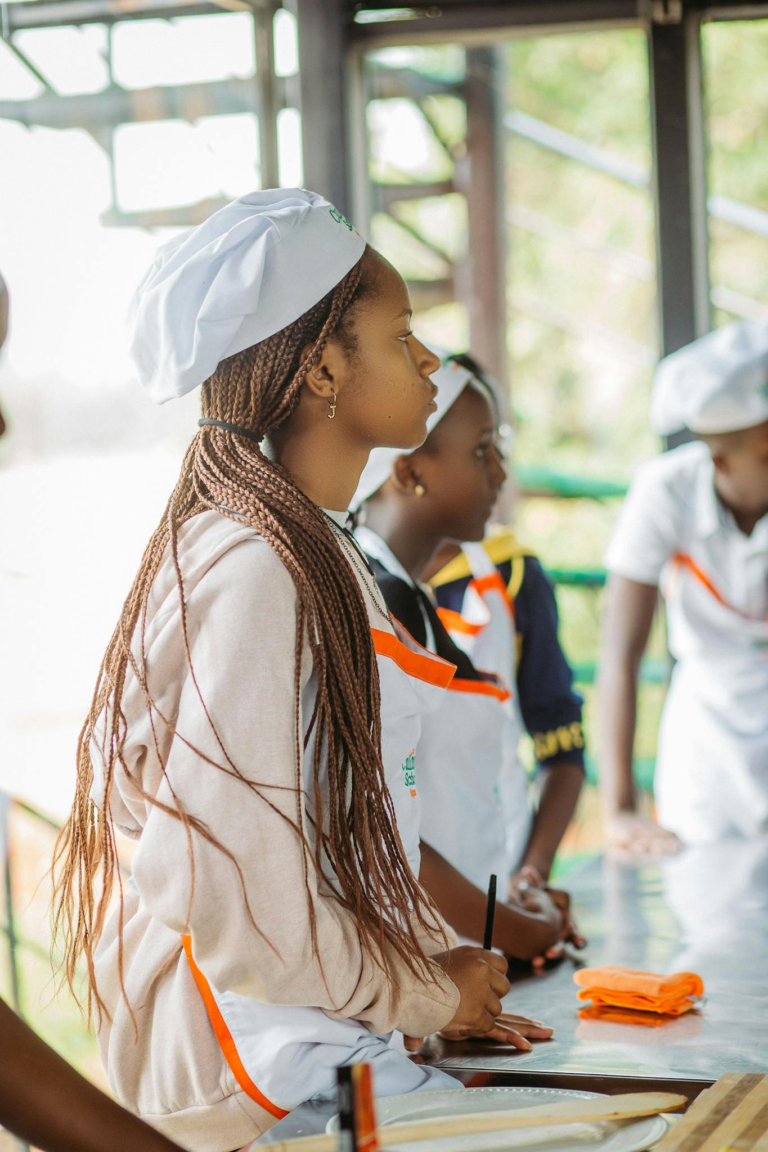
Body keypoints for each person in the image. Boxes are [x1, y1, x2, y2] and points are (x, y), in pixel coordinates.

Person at [52, 191, 549, 1152]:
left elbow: (325, 833)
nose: (430, 362)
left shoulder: (306, 550)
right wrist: (417, 988)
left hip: (311, 1031)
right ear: (323, 365)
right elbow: (236, 898)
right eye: (402, 333)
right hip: (254, 1063)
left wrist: (426, 972)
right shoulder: (252, 567)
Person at [352, 349, 584, 964]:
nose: (501, 473)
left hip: (461, 948)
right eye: (481, 450)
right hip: (424, 959)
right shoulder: (376, 596)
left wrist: (518, 901)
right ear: (407, 473)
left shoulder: (411, 597)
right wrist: (519, 929)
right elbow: (382, 827)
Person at [599, 321, 768, 852]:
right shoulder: (665, 491)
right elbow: (621, 653)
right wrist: (621, 809)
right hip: (707, 754)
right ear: (719, 461)